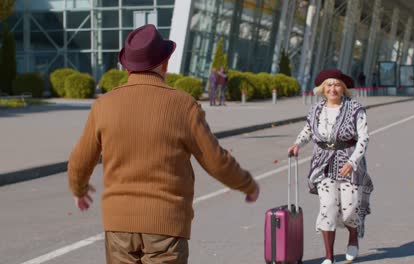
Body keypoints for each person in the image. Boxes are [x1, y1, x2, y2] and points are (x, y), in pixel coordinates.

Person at [67, 24, 260, 264]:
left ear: (127, 66)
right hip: (166, 225)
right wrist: (247, 184)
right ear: (165, 62)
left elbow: (79, 160)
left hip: (118, 225)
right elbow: (216, 160)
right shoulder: (183, 105)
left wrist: (79, 189)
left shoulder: (103, 105)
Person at [287, 69, 373, 264]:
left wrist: (353, 162)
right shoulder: (316, 110)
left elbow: (364, 138)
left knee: (350, 209)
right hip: (323, 164)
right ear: (322, 89)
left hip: (349, 163)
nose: (332, 89)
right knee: (328, 207)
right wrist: (297, 144)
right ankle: (329, 256)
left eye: (336, 85)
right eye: (328, 85)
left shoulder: (355, 109)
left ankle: (352, 238)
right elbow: (307, 130)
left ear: (343, 88)